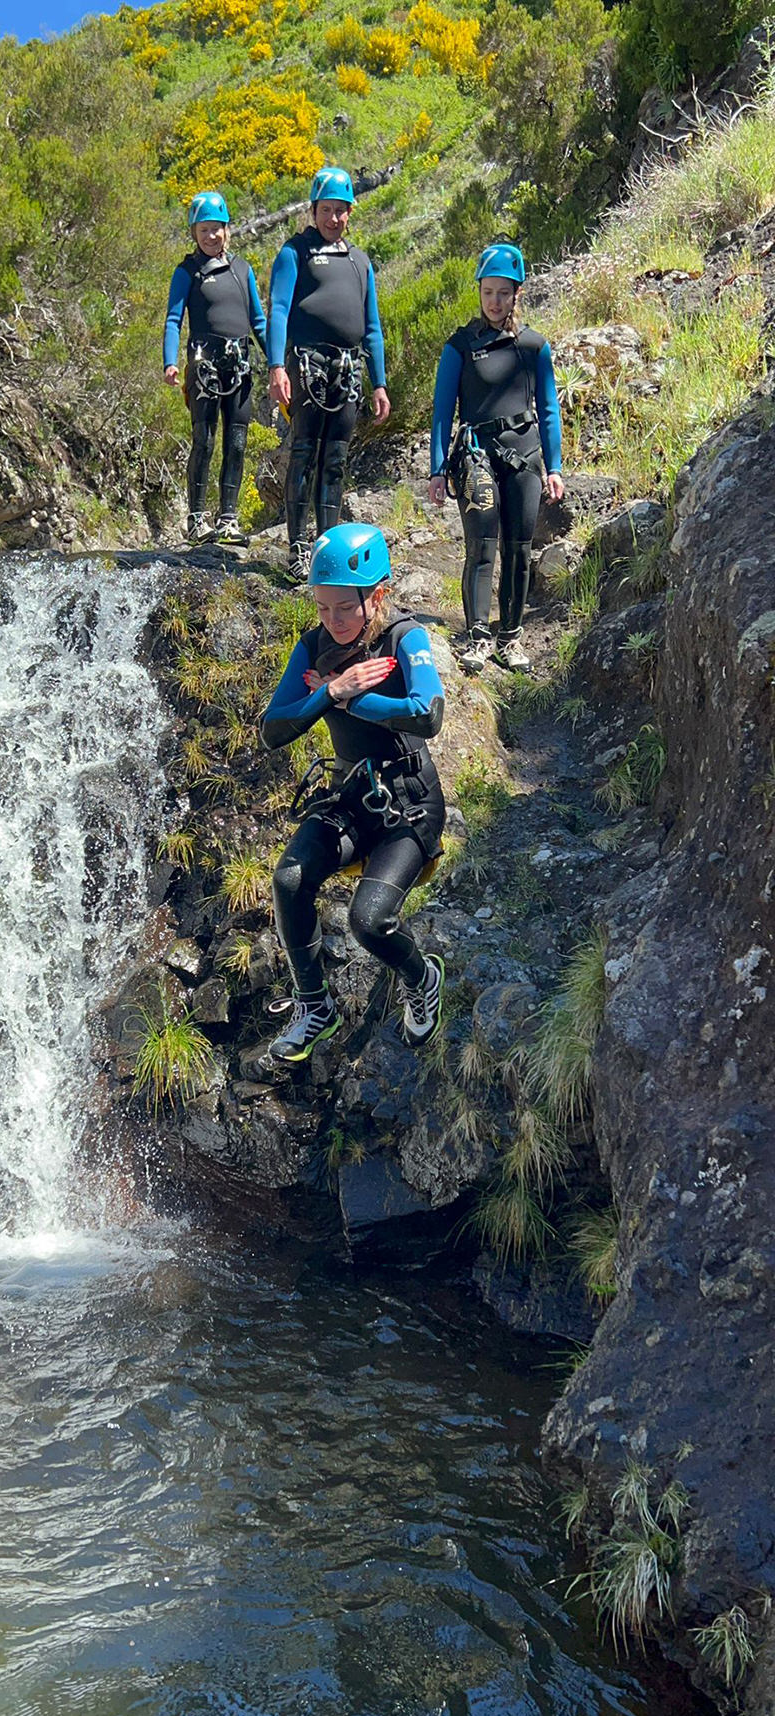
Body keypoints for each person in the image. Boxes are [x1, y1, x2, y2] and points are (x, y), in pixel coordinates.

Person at [260, 522, 446, 1064]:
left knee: (368, 921)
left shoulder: (404, 636)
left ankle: (420, 976)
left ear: (377, 594)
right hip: (350, 798)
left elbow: (428, 712)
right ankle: (313, 1005)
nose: (333, 621)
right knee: (290, 879)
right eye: (323, 607)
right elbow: (274, 729)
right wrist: (334, 692)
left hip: (409, 803)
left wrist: (356, 704)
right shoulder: (314, 647)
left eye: (345, 607)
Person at [428, 241, 565, 673]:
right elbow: (441, 412)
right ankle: (478, 637)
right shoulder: (460, 346)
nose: (494, 301)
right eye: (488, 292)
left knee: (519, 550)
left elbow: (548, 409)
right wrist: (436, 469)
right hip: (476, 458)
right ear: (480, 291)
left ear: (517, 294)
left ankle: (511, 637)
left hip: (526, 457)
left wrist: (555, 468)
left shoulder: (534, 347)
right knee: (482, 548)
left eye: (503, 293)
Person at [267, 167, 390, 584]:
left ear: (350, 213)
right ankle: (298, 549)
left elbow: (371, 325)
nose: (333, 218)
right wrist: (276, 367)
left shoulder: (360, 261)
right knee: (304, 453)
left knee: (335, 459)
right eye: (326, 210)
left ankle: (328, 549)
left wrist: (379, 382)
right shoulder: (294, 252)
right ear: (313, 209)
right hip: (306, 365)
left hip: (347, 370)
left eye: (341, 211)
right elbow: (279, 310)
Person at [163, 189, 268, 545]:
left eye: (217, 228)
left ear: (227, 229)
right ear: (194, 233)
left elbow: (259, 321)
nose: (212, 236)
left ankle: (228, 519)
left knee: (236, 443)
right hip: (203, 368)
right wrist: (170, 362)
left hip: (238, 367)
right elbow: (174, 319)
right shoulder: (187, 272)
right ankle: (195, 520)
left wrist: (278, 361)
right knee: (204, 442)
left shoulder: (242, 270)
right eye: (204, 230)